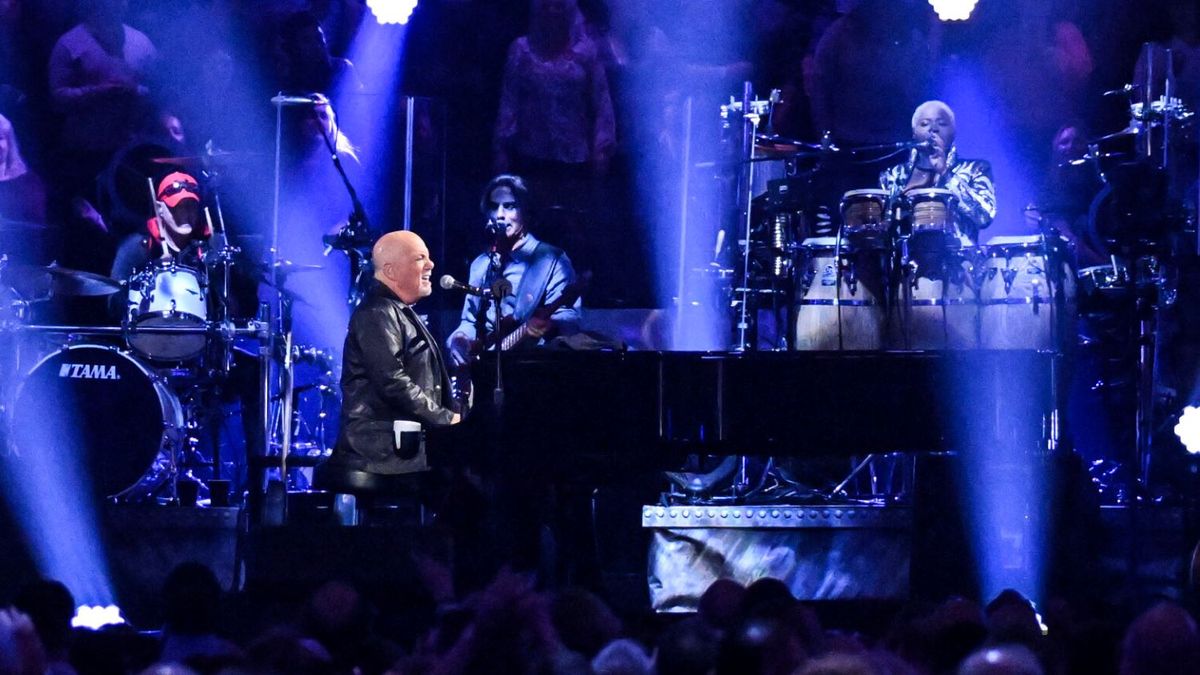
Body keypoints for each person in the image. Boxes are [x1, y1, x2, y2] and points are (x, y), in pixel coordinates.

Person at [330, 230, 460, 476]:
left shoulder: (396, 311)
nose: (431, 265)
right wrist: (445, 419)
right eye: (419, 258)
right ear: (390, 271)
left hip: (403, 444)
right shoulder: (378, 312)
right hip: (381, 450)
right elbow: (392, 381)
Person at [446, 174, 581, 367]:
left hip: (535, 368)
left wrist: (550, 324)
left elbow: (571, 319)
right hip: (485, 369)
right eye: (494, 207)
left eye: (509, 206)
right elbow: (469, 321)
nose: (500, 214)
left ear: (526, 211)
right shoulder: (481, 264)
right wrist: (459, 339)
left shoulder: (552, 260)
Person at [880, 100, 996, 245]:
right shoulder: (894, 175)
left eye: (941, 124)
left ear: (953, 133)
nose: (933, 129)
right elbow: (883, 226)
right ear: (914, 133)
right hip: (904, 260)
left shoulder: (975, 169)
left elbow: (984, 217)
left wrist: (945, 173)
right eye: (924, 124)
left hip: (958, 262)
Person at [110, 170, 209, 281]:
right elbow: (115, 293)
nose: (185, 214)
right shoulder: (137, 247)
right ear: (159, 208)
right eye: (176, 208)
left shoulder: (208, 245)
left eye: (191, 206)